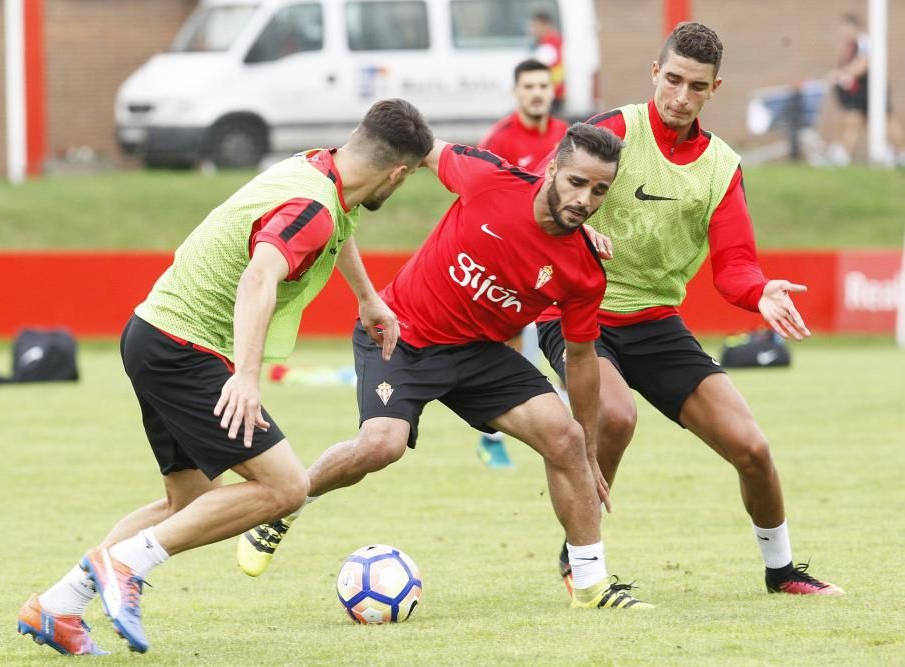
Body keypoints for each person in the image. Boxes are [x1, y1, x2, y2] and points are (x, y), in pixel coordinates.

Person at [16, 98, 435, 656]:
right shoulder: (313, 207)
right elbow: (259, 278)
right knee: (286, 487)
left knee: (186, 503)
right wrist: (246, 375)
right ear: (399, 174)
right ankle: (125, 567)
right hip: (186, 348)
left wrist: (367, 297)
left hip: (153, 333)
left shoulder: (322, 169)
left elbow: (341, 224)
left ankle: (58, 606)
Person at [239, 123, 654, 611]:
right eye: (577, 183)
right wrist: (338, 171)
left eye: (599, 190)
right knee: (381, 446)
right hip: (402, 334)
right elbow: (416, 143)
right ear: (553, 169)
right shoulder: (488, 179)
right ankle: (287, 503)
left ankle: (589, 585)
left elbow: (581, 358)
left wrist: (587, 442)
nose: (585, 199)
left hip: (477, 354)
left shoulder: (584, 269)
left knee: (562, 436)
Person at [532, 22, 844, 598]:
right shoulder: (613, 133)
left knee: (751, 448)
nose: (679, 96)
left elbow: (734, 267)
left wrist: (759, 292)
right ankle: (581, 559)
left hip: (654, 323)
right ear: (655, 73)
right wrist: (575, 234)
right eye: (671, 79)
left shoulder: (721, 167)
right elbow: (540, 194)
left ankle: (782, 572)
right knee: (616, 417)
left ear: (713, 90)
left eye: (694, 87)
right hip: (576, 314)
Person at [475, 58, 570, 468]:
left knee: (571, 349)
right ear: (516, 93)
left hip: (555, 266)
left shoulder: (568, 138)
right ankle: (491, 440)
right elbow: (479, 202)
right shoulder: (499, 140)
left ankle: (570, 437)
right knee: (505, 352)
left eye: (542, 86)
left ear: (552, 92)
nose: (536, 93)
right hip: (507, 266)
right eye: (528, 86)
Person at [827, 12, 905, 166]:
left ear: (854, 27)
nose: (842, 32)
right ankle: (843, 154)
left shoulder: (864, 42)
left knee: (887, 120)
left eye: (845, 28)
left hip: (872, 88)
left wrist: (842, 74)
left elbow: (863, 64)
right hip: (860, 91)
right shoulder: (850, 46)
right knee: (853, 120)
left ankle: (901, 152)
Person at [529, 11, 565, 116]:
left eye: (535, 26)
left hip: (550, 94)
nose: (532, 30)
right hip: (554, 92)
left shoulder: (548, 46)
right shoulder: (556, 41)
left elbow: (536, 68)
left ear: (545, 25)